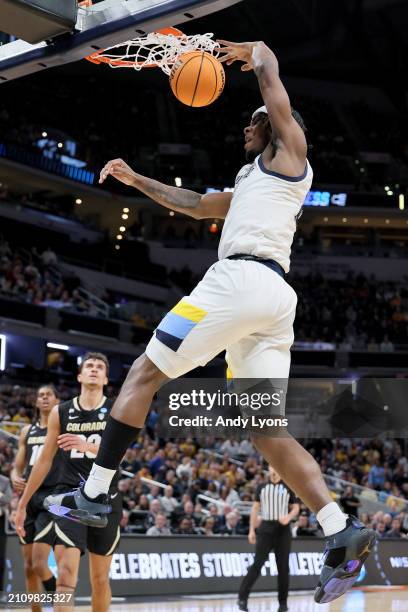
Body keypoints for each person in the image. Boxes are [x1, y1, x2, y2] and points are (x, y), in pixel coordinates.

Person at [46, 39, 377, 604]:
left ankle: (96, 493)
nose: (244, 133)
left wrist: (243, 51)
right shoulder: (253, 179)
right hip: (272, 302)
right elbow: (197, 204)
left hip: (239, 282)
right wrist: (135, 182)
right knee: (266, 430)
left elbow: (270, 63)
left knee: (144, 374)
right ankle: (340, 530)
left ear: (271, 125)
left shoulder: (290, 153)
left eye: (252, 124)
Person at [15, 353, 121, 612]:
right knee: (65, 576)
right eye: (89, 366)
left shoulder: (117, 410)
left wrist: (87, 445)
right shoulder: (60, 412)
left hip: (105, 501)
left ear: (106, 378)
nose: (94, 370)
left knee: (99, 579)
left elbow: (123, 454)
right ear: (79, 376)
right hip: (69, 499)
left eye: (99, 367)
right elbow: (44, 462)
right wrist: (23, 503)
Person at [10, 385, 60, 610]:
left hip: (51, 498)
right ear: (36, 402)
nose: (45, 398)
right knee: (29, 565)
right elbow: (17, 467)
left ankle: (62, 602)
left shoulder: (63, 429)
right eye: (41, 395)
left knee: (40, 564)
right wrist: (14, 476)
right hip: (29, 499)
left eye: (49, 395)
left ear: (57, 400)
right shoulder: (26, 432)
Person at [238, 466, 300, 612]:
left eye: (276, 466)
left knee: (283, 568)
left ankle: (283, 603)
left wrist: (289, 517)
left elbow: (296, 507)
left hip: (283, 529)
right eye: (272, 466)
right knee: (257, 564)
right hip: (265, 528)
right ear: (269, 468)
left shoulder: (288, 486)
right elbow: (255, 508)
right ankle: (242, 598)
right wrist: (251, 530)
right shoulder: (261, 487)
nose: (274, 469)